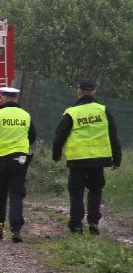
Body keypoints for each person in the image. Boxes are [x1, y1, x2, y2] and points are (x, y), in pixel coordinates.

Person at [51, 79, 122, 235]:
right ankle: (93, 223)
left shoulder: (71, 112)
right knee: (95, 190)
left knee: (76, 192)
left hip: (77, 161)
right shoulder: (103, 111)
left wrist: (56, 155)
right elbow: (113, 136)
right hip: (99, 160)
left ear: (79, 92)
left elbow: (59, 136)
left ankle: (76, 225)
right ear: (94, 92)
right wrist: (117, 159)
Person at [0, 87, 36, 243]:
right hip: (20, 161)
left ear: (2, 99)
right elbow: (32, 137)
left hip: (0, 162)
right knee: (16, 195)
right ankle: (16, 230)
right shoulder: (26, 115)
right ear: (16, 99)